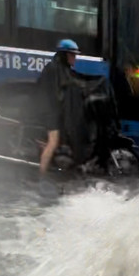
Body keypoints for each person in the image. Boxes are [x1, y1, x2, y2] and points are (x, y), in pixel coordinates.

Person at [37, 39, 80, 175]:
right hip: (49, 111)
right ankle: (41, 175)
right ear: (64, 55)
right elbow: (58, 94)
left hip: (52, 109)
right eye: (72, 55)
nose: (75, 58)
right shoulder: (55, 69)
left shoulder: (60, 68)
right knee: (53, 142)